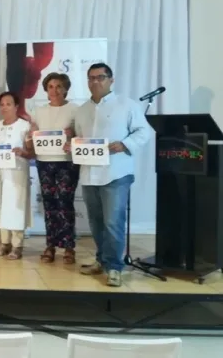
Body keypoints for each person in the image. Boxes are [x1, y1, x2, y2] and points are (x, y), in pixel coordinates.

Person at [71, 63, 153, 287]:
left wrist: (125, 144)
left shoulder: (127, 105)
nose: (95, 82)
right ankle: (102, 260)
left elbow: (144, 131)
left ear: (111, 80)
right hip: (89, 174)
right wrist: (73, 145)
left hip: (116, 173)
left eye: (100, 77)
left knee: (113, 222)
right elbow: (80, 139)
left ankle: (115, 267)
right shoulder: (82, 110)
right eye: (91, 78)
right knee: (96, 222)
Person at [27, 73, 79, 264]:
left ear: (65, 89)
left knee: (65, 202)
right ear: (45, 89)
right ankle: (50, 245)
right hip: (44, 161)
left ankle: (69, 246)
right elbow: (31, 138)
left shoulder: (75, 110)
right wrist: (31, 134)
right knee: (49, 204)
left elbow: (82, 136)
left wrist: (73, 135)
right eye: (50, 86)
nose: (54, 90)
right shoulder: (38, 111)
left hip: (67, 161)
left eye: (58, 86)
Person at [0, 92, 32, 260]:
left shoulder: (24, 126)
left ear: (16, 107)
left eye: (9, 104)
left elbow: (32, 153)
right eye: (2, 104)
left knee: (15, 207)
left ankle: (17, 245)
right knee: (0, 207)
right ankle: (4, 243)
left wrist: (23, 152)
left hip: (16, 174)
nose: (5, 107)